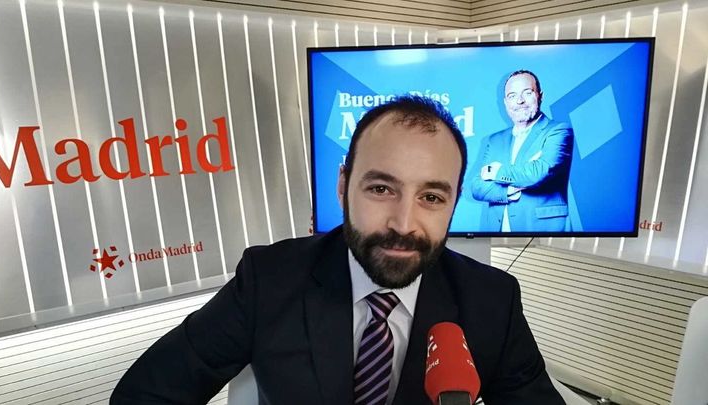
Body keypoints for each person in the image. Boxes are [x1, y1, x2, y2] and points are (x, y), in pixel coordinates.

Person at [111, 95, 564, 404]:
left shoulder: (491, 301)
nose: (404, 224)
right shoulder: (269, 279)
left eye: (431, 197)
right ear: (344, 185)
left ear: (454, 202)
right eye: (381, 188)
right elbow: (145, 394)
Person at [471, 70, 574, 232]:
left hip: (544, 232)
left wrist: (496, 172)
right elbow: (477, 187)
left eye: (527, 93)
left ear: (540, 96)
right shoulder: (494, 140)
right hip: (496, 233)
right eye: (512, 95)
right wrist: (510, 190)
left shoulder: (558, 131)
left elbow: (539, 172)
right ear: (506, 102)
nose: (520, 101)